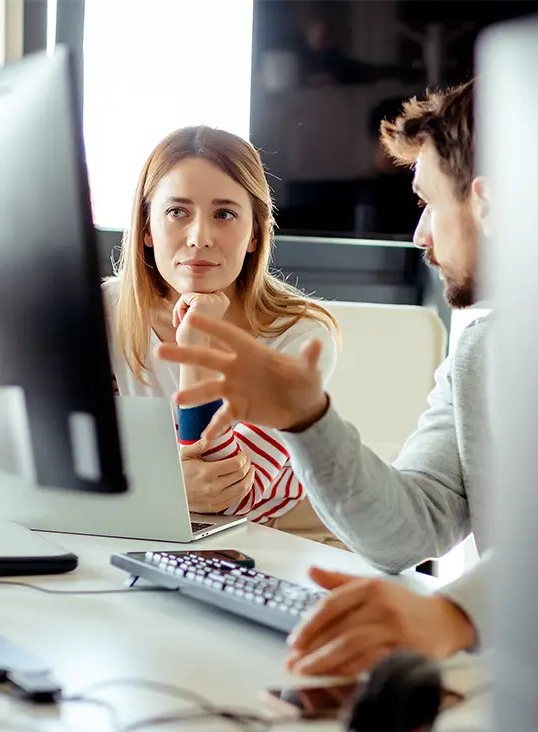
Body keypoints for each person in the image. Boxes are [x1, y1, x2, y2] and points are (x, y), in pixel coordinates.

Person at [156, 82, 493, 675]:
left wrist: (454, 614)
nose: (420, 235)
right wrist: (307, 420)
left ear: (487, 204)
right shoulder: (479, 353)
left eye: (428, 203)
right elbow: (407, 532)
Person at [106, 126, 342, 540]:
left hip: (287, 535)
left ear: (255, 234)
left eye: (224, 214)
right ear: (146, 229)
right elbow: (67, 457)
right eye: (177, 212)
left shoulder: (302, 337)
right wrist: (166, 487)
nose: (200, 238)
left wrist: (197, 342)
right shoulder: (105, 311)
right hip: (156, 526)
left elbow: (225, 496)